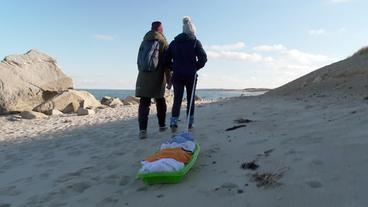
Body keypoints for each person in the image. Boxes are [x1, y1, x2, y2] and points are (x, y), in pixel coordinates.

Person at [165, 17, 207, 131]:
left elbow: (165, 60)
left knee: (177, 99)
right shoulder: (195, 42)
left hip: (177, 75)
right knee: (190, 98)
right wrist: (195, 67)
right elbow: (203, 58)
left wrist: (174, 67)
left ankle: (174, 123)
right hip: (190, 75)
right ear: (193, 31)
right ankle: (190, 123)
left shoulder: (174, 43)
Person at [136, 21, 172, 139]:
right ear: (160, 29)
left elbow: (138, 60)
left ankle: (142, 130)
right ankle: (162, 126)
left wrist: (142, 72)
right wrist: (169, 79)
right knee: (160, 101)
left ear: (151, 29)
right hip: (158, 76)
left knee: (144, 103)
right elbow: (166, 63)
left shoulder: (144, 41)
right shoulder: (163, 42)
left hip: (143, 76)